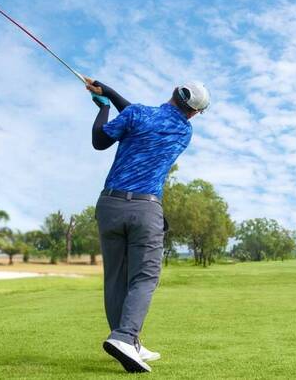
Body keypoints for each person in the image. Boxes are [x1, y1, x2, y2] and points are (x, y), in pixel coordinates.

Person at [85, 76, 210, 373]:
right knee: (144, 277)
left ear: (173, 92)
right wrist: (110, 94)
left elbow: (100, 140)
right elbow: (138, 116)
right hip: (145, 208)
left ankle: (130, 340)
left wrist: (103, 105)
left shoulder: (137, 114)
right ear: (193, 112)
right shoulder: (184, 131)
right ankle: (125, 338)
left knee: (115, 278)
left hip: (109, 206)